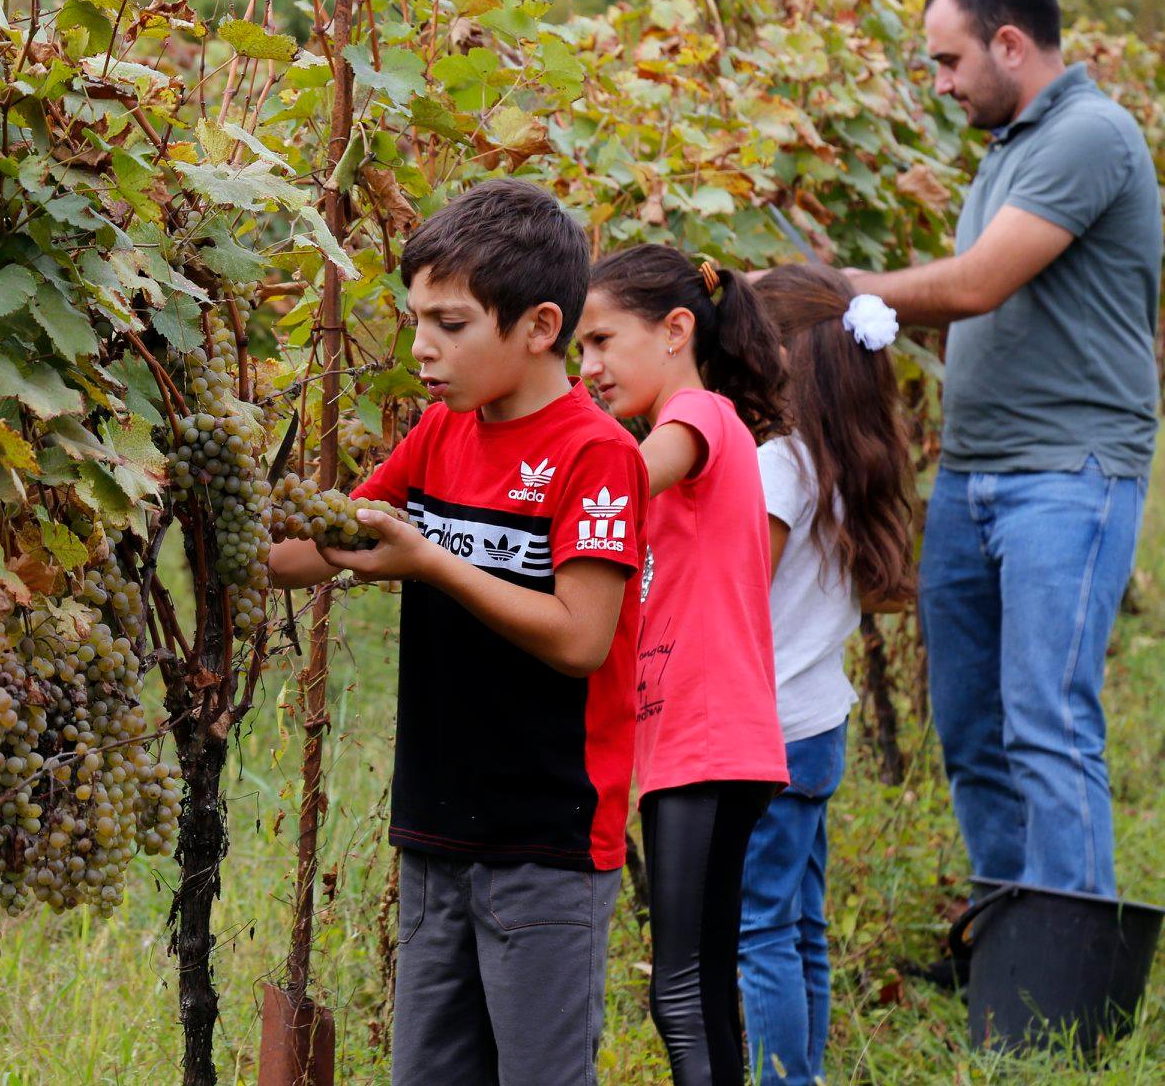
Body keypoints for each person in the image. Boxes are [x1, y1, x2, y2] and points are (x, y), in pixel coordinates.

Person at [271, 178, 649, 1086]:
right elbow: (311, 550)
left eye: (450, 324)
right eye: (416, 322)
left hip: (546, 842)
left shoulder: (597, 453)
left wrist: (433, 562)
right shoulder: (441, 433)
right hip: (436, 830)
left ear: (540, 326)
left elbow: (582, 638)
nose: (422, 348)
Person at [848, 0, 1161, 899]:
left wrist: (846, 289)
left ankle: (1072, 959)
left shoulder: (1090, 134)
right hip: (974, 476)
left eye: (950, 61)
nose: (942, 85)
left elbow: (977, 285)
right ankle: (1009, 935)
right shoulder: (1009, 149)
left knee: (1046, 725)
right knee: (973, 729)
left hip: (1067, 474)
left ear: (1011, 44)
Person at [576, 245, 790, 1086]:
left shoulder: (698, 416)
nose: (588, 368)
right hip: (698, 744)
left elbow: (618, 482)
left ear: (675, 331)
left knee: (681, 996)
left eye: (601, 341)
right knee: (698, 993)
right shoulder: (700, 425)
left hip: (706, 740)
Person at [738, 265, 916, 1084]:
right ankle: (800, 1075)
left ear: (779, 356)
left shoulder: (778, 468)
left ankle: (785, 1080)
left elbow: (740, 593)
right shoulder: (842, 460)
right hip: (816, 726)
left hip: (766, 730)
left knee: (759, 932)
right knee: (798, 924)